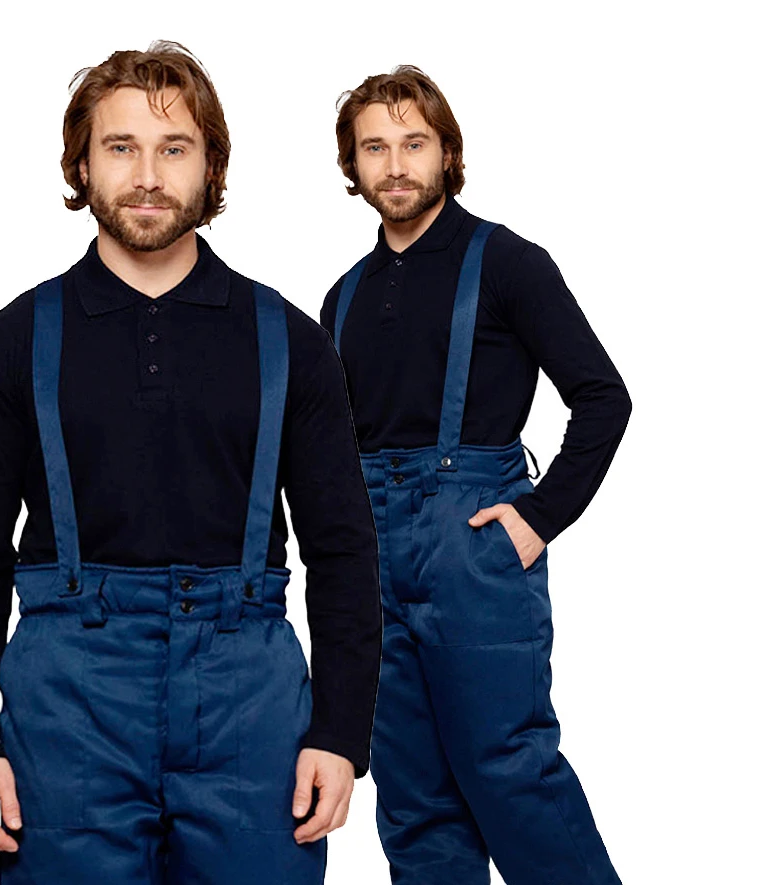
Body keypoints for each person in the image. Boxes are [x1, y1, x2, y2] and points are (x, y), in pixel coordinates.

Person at [0, 41, 381, 884]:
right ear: (82, 165)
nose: (146, 175)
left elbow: (346, 551)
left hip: (250, 705)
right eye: (120, 147)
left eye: (174, 148)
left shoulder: (291, 342)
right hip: (69, 709)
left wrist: (341, 731)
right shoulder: (8, 344)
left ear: (211, 167)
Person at [320, 66, 630, 885]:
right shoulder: (341, 299)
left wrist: (538, 517)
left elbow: (604, 398)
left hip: (473, 546)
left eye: (413, 143)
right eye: (374, 148)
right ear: (352, 165)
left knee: (511, 772)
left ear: (447, 152)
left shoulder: (509, 263)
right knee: (413, 799)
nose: (395, 165)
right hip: (374, 558)